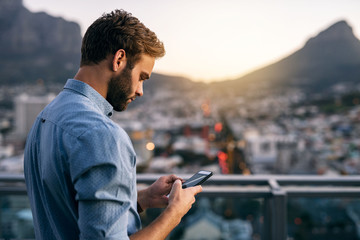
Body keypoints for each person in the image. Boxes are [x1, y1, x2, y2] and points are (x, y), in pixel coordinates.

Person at [24, 9, 202, 240]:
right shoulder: (102, 135)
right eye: (141, 77)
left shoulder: (45, 118)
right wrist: (174, 213)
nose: (140, 91)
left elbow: (69, 213)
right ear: (119, 60)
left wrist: (141, 199)